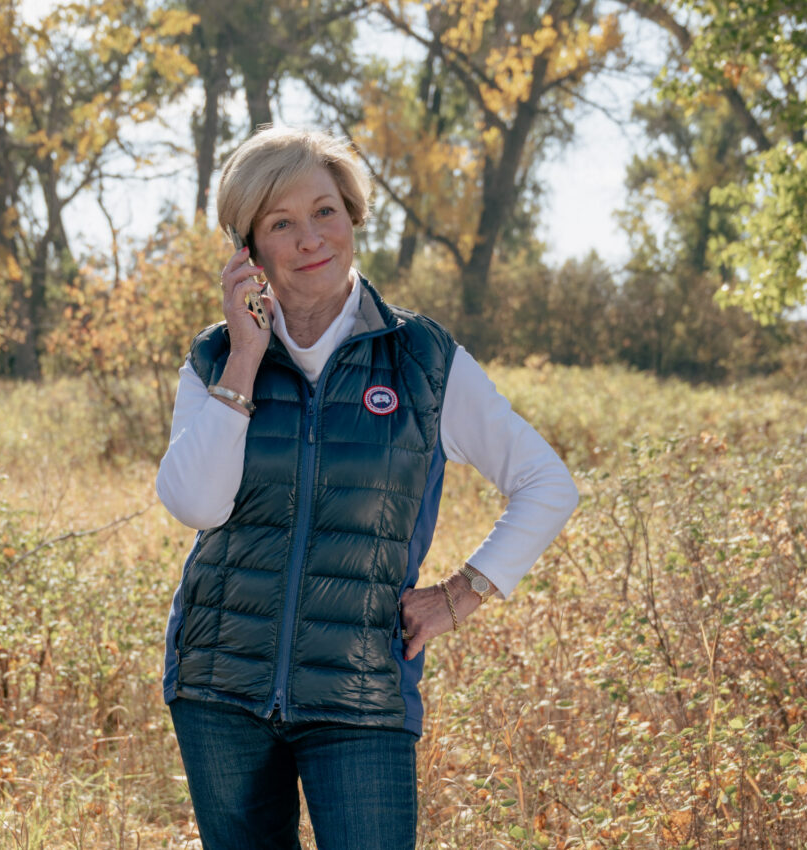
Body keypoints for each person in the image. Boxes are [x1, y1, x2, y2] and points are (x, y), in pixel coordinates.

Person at [156, 126, 579, 850]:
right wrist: (247, 359)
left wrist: (462, 595)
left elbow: (547, 482)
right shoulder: (216, 356)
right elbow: (196, 504)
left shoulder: (423, 359)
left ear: (352, 215)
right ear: (248, 249)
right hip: (218, 688)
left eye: (325, 211)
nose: (309, 238)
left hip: (361, 696)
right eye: (280, 224)